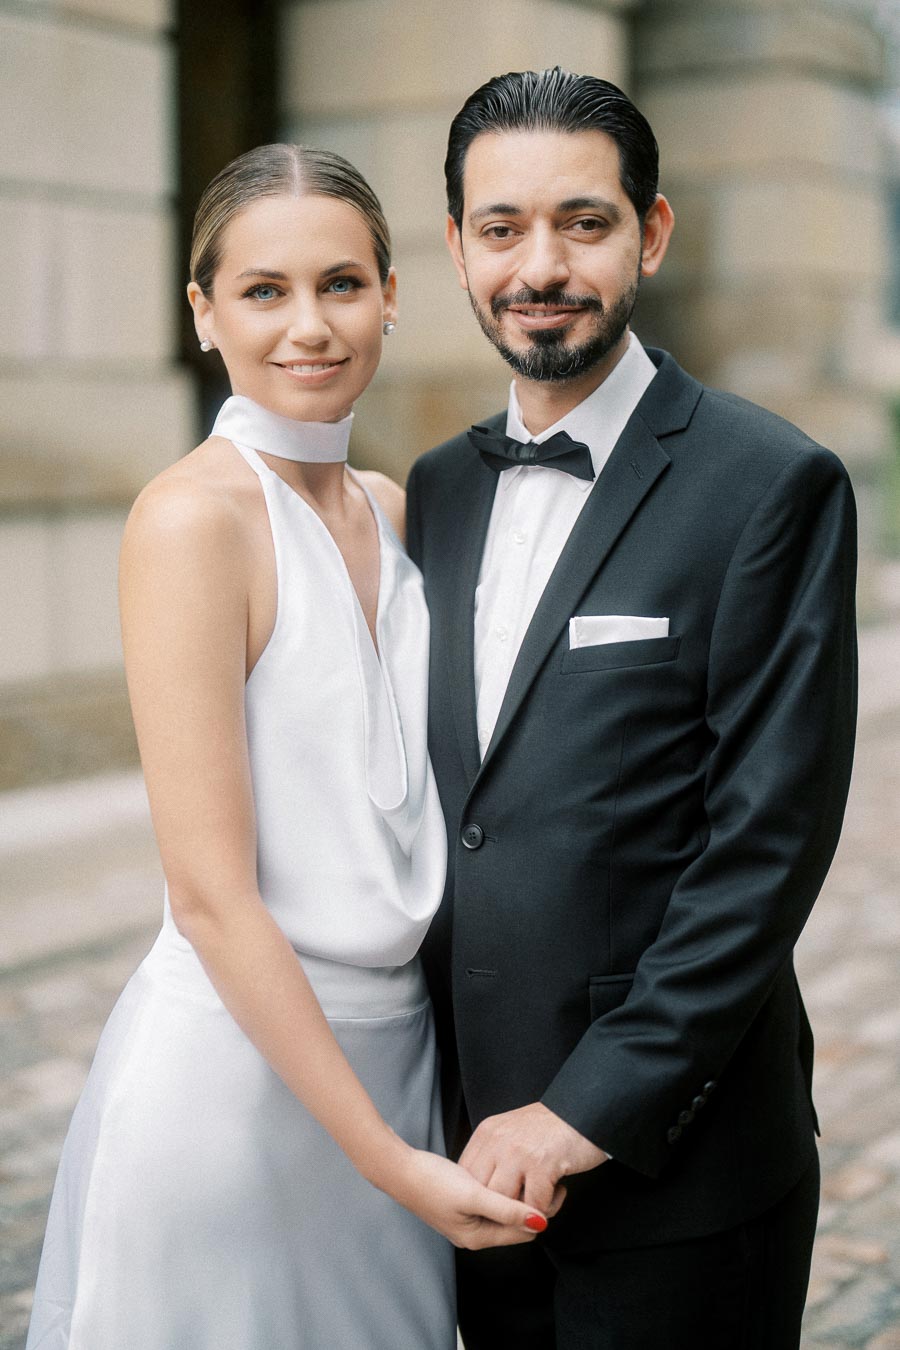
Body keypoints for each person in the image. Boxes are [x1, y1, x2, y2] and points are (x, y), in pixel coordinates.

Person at [25, 143, 547, 1350]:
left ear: (393, 295)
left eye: (342, 284)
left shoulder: (399, 508)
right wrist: (390, 1164)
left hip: (403, 1070)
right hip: (238, 1094)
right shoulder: (191, 520)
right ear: (202, 313)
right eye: (264, 291)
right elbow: (211, 899)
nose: (309, 326)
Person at [406, 68, 858, 1350]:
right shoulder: (435, 492)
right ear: (456, 249)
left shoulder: (772, 485)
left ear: (649, 234)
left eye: (583, 223)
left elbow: (766, 847)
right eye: (501, 229)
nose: (539, 265)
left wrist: (587, 1109)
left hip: (680, 1170)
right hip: (460, 1163)